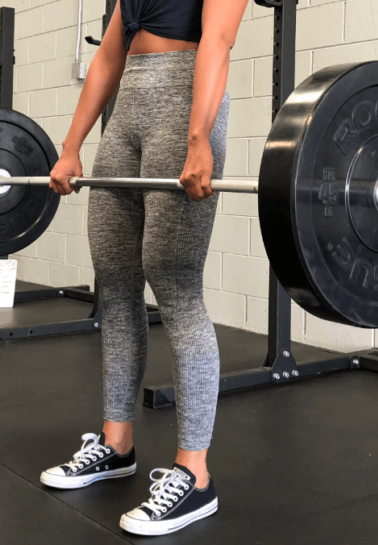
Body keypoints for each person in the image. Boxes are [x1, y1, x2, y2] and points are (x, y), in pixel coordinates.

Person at [40, 0, 249, 536]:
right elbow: (110, 58)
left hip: (184, 107)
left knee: (174, 281)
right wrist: (70, 147)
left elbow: (218, 43)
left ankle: (195, 475)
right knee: (114, 278)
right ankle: (116, 443)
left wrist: (198, 138)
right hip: (127, 114)